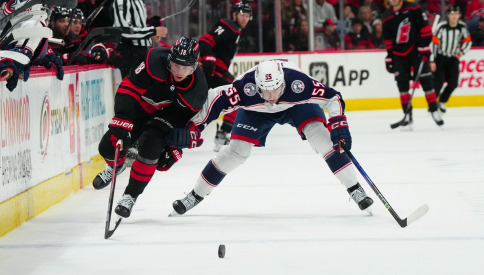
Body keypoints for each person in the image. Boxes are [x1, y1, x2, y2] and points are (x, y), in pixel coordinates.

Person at [167, 60, 374, 216]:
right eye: (265, 91)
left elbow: (332, 97)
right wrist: (194, 128)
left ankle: (355, 188)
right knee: (236, 152)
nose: (271, 96)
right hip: (256, 110)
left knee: (322, 138)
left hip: (296, 105)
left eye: (275, 88)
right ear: (256, 86)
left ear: (283, 81)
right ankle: (194, 195)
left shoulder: (298, 84)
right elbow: (213, 102)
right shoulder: (244, 88)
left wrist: (339, 122)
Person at [90, 37, 208, 218]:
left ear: (194, 66)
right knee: (107, 146)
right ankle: (117, 165)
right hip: (140, 106)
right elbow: (129, 87)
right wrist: (122, 117)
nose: (179, 72)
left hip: (167, 115)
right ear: (169, 59)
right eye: (176, 65)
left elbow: (186, 121)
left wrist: (174, 148)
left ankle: (130, 196)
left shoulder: (198, 89)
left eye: (185, 68)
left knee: (151, 147)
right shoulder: (154, 59)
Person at [199, 1, 252, 152]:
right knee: (239, 94)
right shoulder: (229, 25)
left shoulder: (236, 30)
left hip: (215, 71)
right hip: (213, 70)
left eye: (248, 16)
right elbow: (205, 40)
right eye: (242, 14)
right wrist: (208, 56)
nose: (245, 18)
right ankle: (222, 134)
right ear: (235, 14)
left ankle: (222, 134)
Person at [382, 0, 444, 128]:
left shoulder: (414, 8)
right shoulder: (386, 16)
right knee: (402, 85)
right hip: (399, 55)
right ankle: (407, 115)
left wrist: (424, 45)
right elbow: (388, 40)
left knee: (427, 81)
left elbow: (425, 27)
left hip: (416, 51)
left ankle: (434, 110)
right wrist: (390, 57)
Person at [430, 6, 472, 113]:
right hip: (440, 58)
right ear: (448, 15)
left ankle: (442, 101)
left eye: (456, 14)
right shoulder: (441, 26)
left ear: (459, 15)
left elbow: (468, 41)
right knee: (438, 83)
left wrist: (462, 51)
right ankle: (433, 104)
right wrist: (432, 60)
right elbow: (433, 44)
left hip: (453, 58)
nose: (454, 16)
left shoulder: (462, 27)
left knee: (453, 83)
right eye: (452, 14)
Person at [112, 0, 168, 78]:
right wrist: (152, 31)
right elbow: (124, 31)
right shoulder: (122, 1)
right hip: (129, 52)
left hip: (141, 51)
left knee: (144, 86)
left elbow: (136, 23)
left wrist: (150, 25)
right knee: (132, 86)